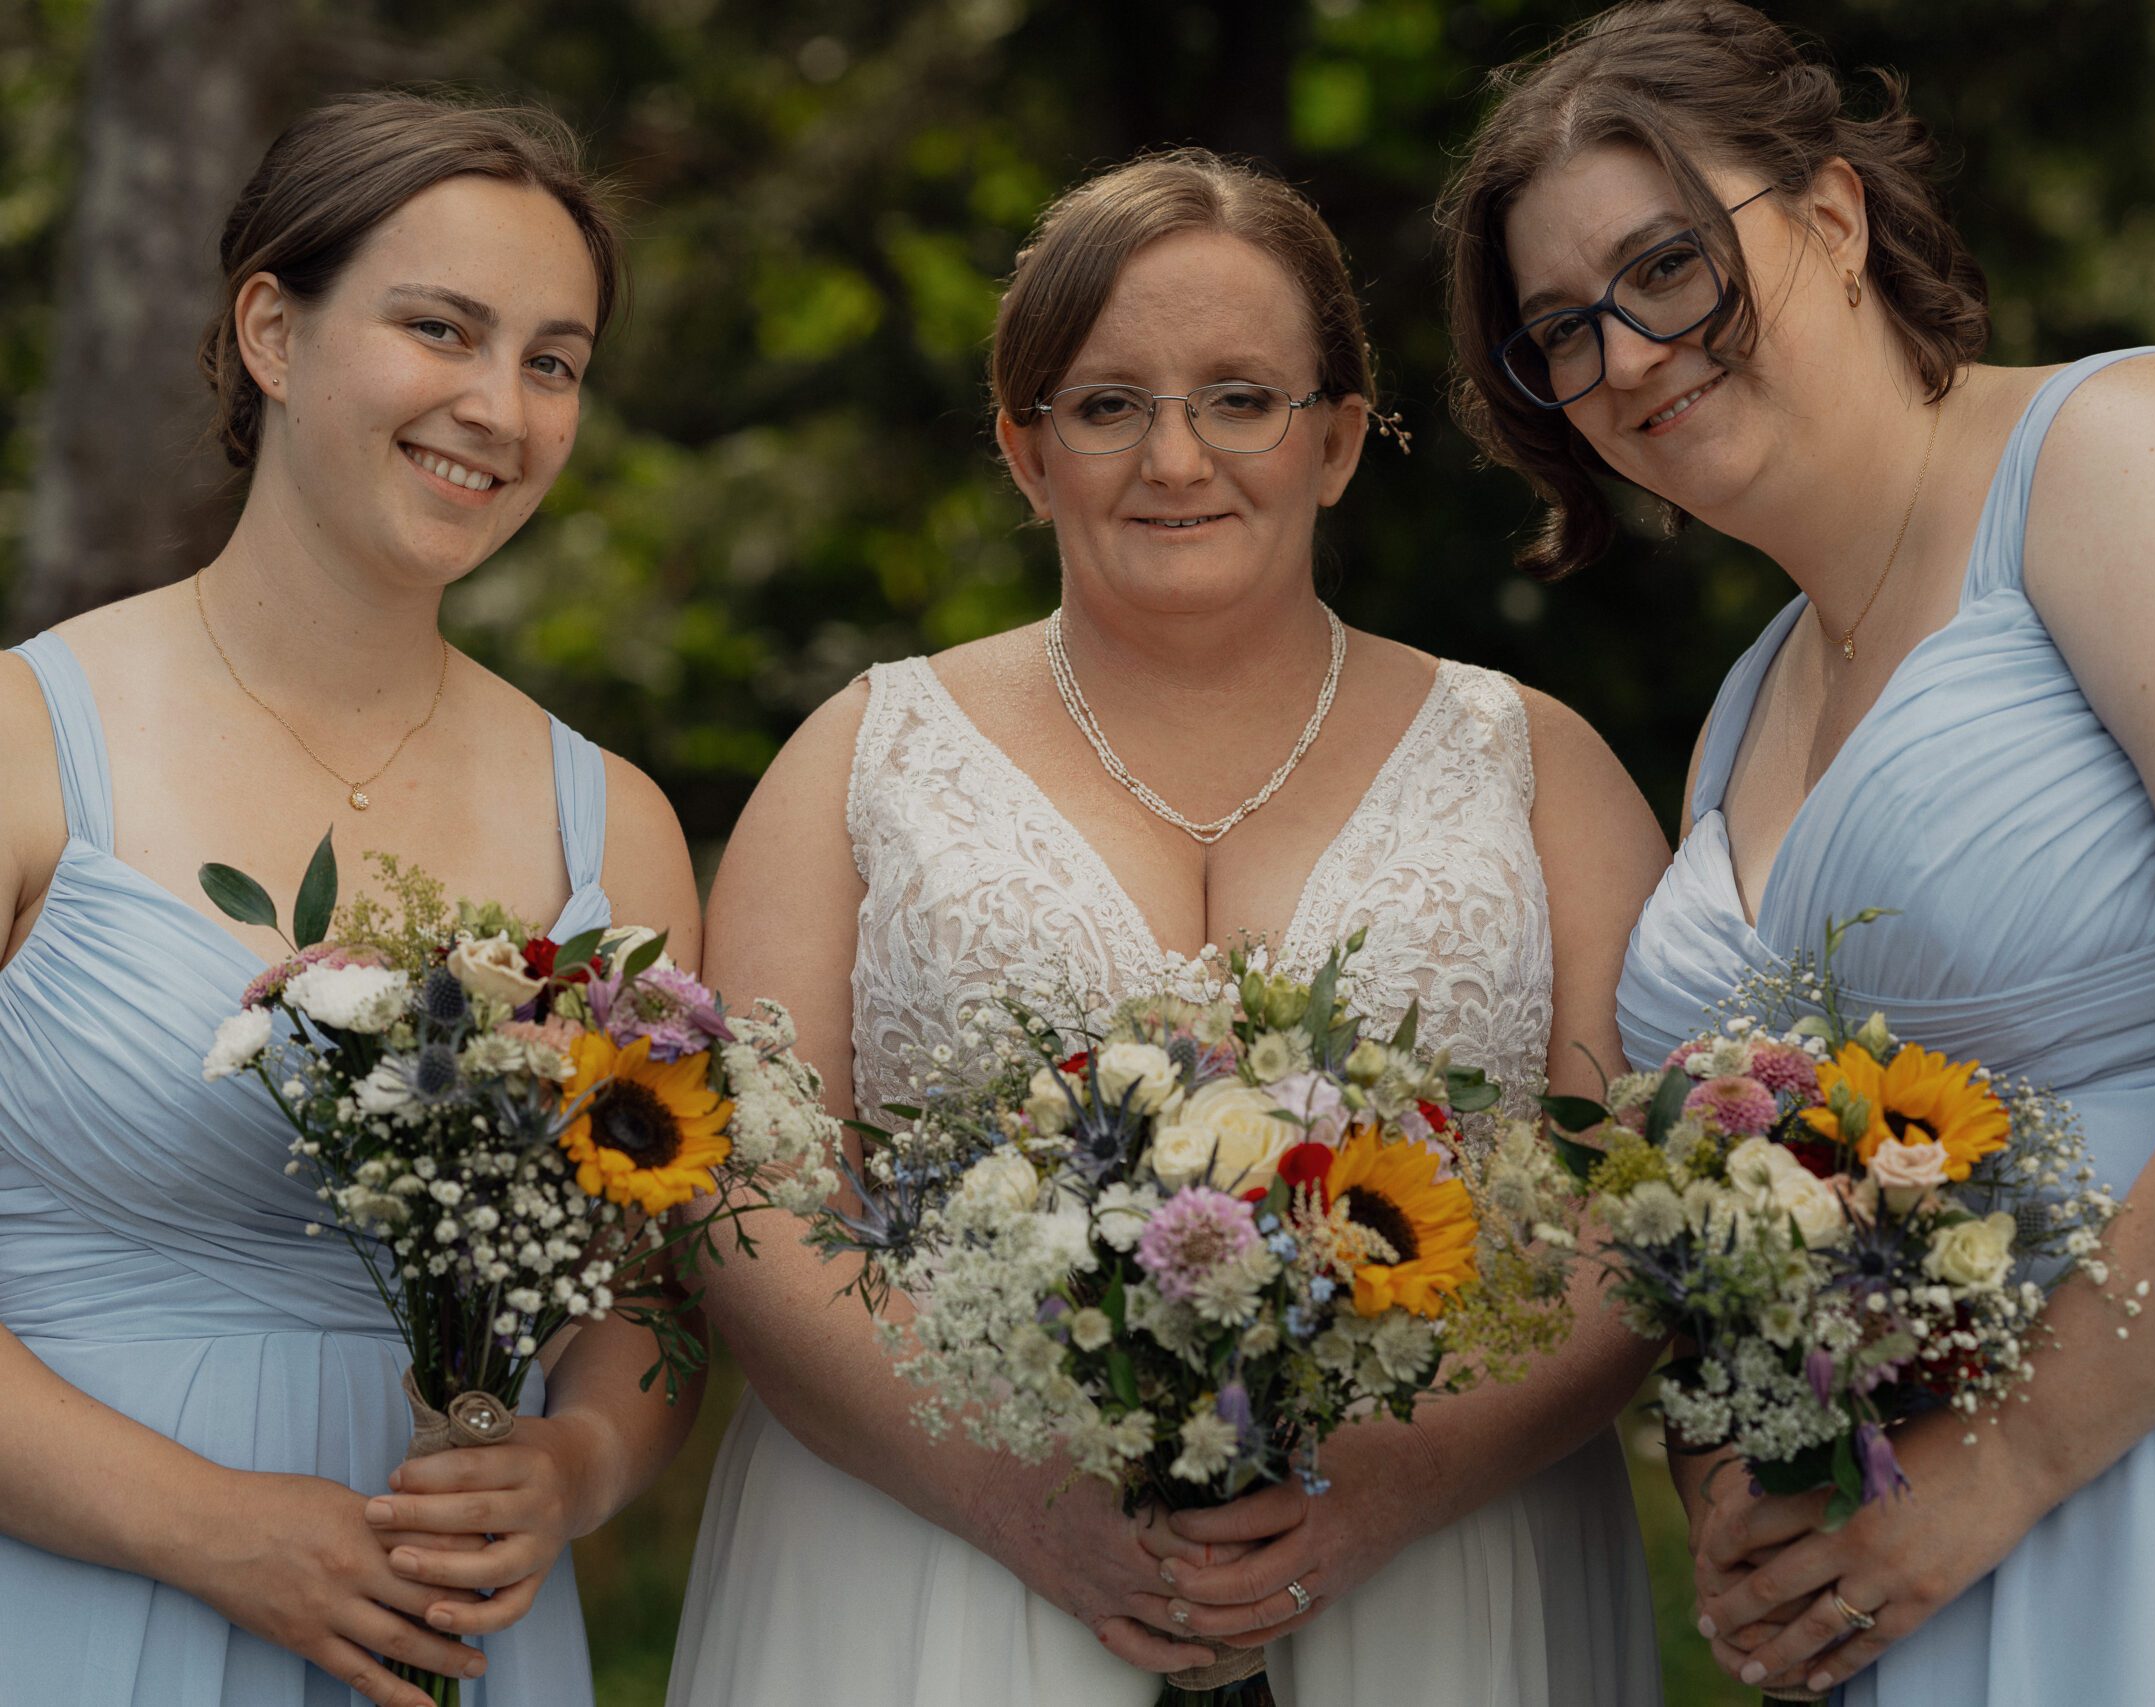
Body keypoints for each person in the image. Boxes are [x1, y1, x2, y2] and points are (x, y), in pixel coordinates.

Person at [1440, 3, 2155, 1702]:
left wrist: (2008, 1462)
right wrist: (1741, 1473)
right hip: (1964, 1545)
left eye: (1669, 267)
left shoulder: (2142, 451)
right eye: (1561, 333)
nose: (1629, 355)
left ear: (1833, 215)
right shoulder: (1745, 714)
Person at [666, 148, 1671, 1706]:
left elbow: (1630, 1201)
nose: (1176, 458)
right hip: (940, 1561)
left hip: (1444, 1563)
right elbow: (754, 1209)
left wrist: (1397, 1479)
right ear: (1026, 450)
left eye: (1241, 397)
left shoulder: (1534, 763)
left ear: (1337, 438)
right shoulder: (860, 757)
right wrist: (1020, 1502)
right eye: (1107, 402)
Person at [0, 94, 706, 1707]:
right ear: (272, 328)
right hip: (61, 1603)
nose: (499, 407)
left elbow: (649, 1291)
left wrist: (579, 1463)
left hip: (450, 1632)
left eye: (553, 361)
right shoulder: (25, 747)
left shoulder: (620, 831)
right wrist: (213, 1531)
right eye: (439, 328)